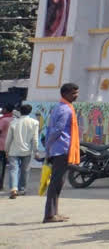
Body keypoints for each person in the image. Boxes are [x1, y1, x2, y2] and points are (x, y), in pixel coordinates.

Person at [43, 82, 80, 223]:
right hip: (61, 150)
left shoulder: (61, 107)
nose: (76, 96)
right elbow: (57, 130)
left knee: (58, 183)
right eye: (74, 93)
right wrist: (48, 147)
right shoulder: (65, 109)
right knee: (56, 183)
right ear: (65, 94)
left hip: (59, 149)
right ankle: (49, 215)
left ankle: (54, 213)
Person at [5, 105, 37, 198]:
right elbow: (35, 139)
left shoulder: (13, 122)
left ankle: (14, 189)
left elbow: (9, 139)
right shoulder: (34, 122)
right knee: (25, 170)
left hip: (13, 150)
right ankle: (22, 189)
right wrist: (36, 151)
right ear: (30, 112)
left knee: (13, 170)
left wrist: (6, 150)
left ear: (20, 111)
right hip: (26, 151)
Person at [0, 105, 12, 183]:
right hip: (9, 146)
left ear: (6, 110)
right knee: (3, 166)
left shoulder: (3, 120)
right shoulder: (14, 119)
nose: (2, 110)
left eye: (3, 108)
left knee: (1, 166)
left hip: (1, 145)